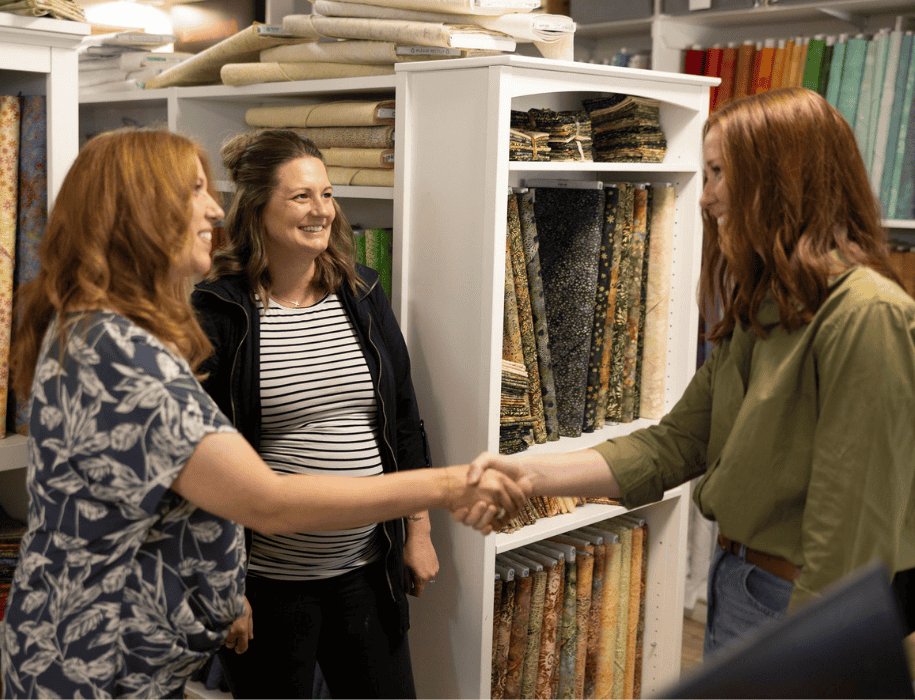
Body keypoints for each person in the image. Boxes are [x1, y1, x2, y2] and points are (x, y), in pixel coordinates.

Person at [0, 128, 530, 700]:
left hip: (104, 652)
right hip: (96, 665)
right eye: (195, 191)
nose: (212, 207)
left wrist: (416, 527)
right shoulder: (121, 353)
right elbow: (265, 501)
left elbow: (399, 412)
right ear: (140, 212)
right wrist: (452, 484)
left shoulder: (96, 328)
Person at [462, 86, 915, 658]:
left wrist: (809, 662)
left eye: (722, 173)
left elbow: (851, 531)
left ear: (782, 180)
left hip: (801, 601)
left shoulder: (866, 314)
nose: (707, 197)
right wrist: (530, 476)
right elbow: (676, 444)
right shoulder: (767, 306)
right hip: (744, 585)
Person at [190, 128, 456, 699]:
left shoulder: (361, 294)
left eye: (328, 194)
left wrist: (419, 529)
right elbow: (205, 464)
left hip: (366, 569)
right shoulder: (220, 311)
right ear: (258, 208)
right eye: (301, 196)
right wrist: (224, 584)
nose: (322, 211)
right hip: (268, 583)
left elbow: (403, 419)